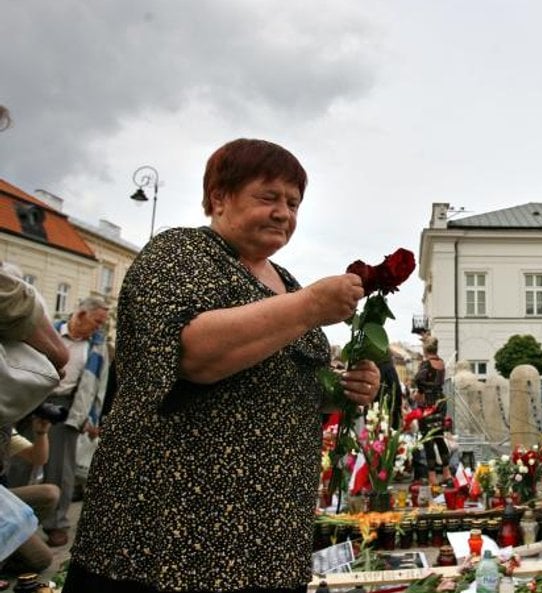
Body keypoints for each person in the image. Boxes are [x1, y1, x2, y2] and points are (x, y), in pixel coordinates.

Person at [63, 138, 380, 593]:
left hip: (266, 540)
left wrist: (343, 390)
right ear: (219, 198)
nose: (284, 213)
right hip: (172, 537)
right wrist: (309, 306)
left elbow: (285, 380)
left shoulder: (285, 282)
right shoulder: (179, 253)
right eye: (268, 197)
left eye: (293, 202)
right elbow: (193, 357)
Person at [8, 295, 110, 548]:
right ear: (82, 314)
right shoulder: (49, 332)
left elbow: (100, 385)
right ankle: (13, 522)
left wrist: (92, 417)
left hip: (68, 406)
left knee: (61, 468)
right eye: (97, 321)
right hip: (34, 399)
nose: (100, 327)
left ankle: (57, 524)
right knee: (20, 462)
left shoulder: (97, 347)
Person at [0, 417, 60, 575]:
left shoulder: (4, 428)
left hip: (3, 500)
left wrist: (41, 433)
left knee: (41, 559)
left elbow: (38, 458)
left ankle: (8, 552)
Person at [413, 335, 452, 489]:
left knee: (428, 439)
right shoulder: (441, 362)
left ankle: (432, 476)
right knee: (439, 437)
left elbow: (418, 378)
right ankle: (447, 473)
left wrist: (420, 392)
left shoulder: (426, 364)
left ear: (425, 349)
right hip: (440, 402)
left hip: (428, 403)